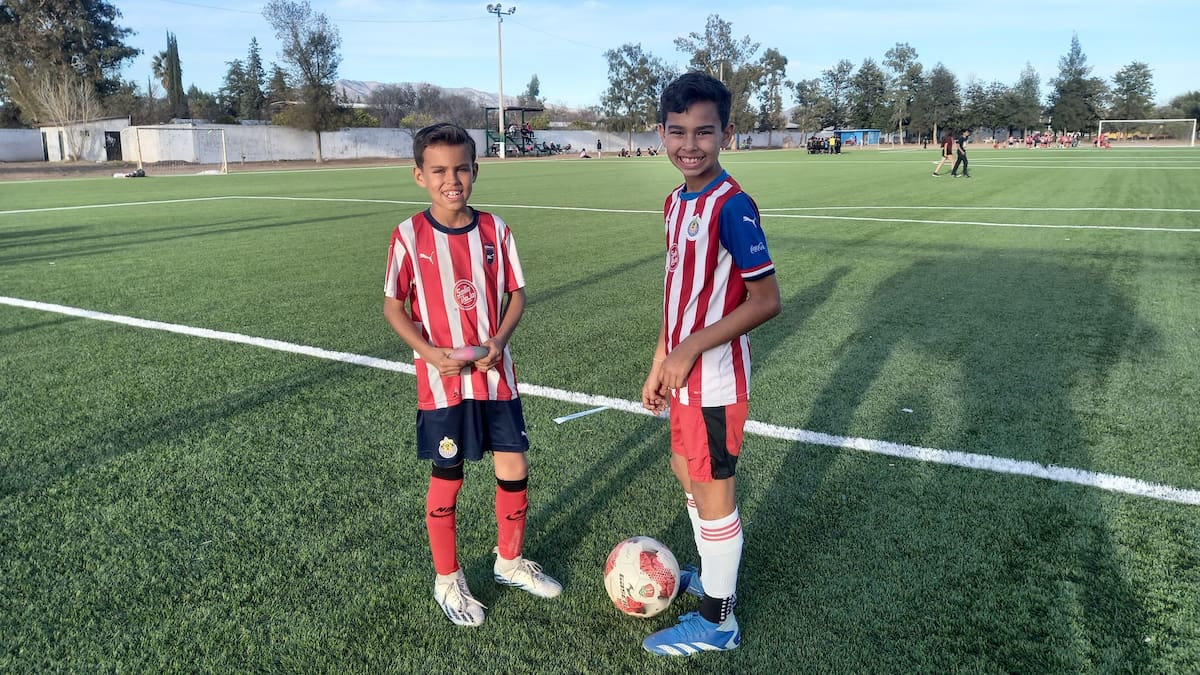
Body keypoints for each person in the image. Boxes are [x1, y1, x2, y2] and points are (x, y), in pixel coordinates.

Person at [383, 122, 562, 628]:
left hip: (495, 375)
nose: (451, 179)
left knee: (514, 465)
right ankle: (447, 579)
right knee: (448, 476)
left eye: (461, 168)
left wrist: (500, 341)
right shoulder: (408, 235)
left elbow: (517, 294)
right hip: (443, 381)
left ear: (475, 170)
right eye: (438, 170)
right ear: (419, 175)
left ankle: (508, 561)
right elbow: (393, 305)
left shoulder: (496, 230)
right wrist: (429, 352)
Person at [639, 72, 782, 657]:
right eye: (677, 132)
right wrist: (660, 361)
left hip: (716, 380)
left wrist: (691, 349)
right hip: (682, 374)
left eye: (704, 132)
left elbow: (767, 300)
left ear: (726, 132)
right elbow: (677, 296)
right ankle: (711, 571)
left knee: (713, 488)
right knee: (685, 468)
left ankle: (719, 619)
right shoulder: (676, 202)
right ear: (661, 133)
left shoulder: (732, 205)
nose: (689, 145)